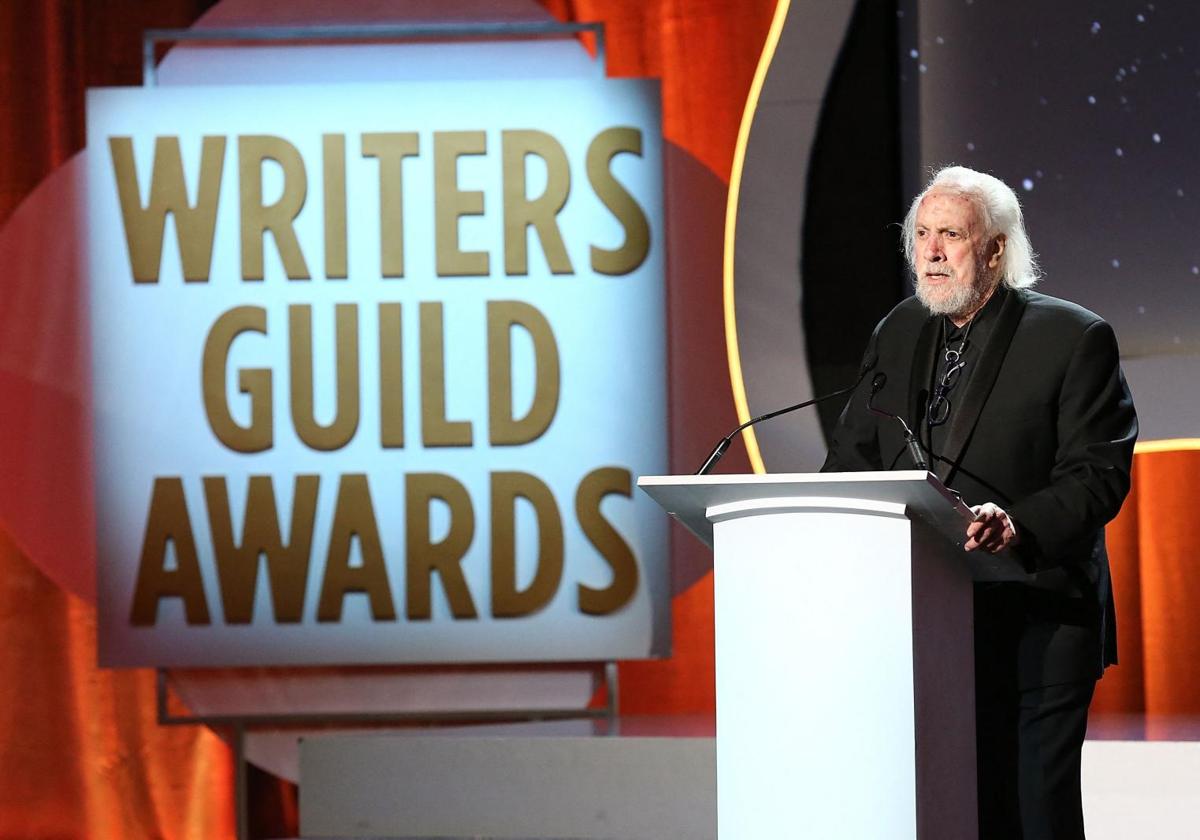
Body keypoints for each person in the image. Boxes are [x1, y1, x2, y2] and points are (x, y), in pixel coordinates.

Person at [822, 165, 1137, 840]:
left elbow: (1097, 474)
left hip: (1038, 620)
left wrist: (1018, 525)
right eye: (923, 235)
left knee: (1034, 817)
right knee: (954, 815)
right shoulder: (899, 330)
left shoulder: (1073, 337)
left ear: (995, 248)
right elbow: (853, 457)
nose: (932, 252)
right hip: (925, 626)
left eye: (952, 236)